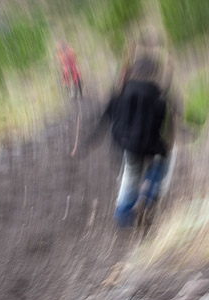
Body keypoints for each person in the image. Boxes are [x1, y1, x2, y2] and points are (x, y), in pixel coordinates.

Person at [77, 30, 182, 227]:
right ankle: (149, 195)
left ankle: (124, 213)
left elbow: (103, 119)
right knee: (164, 161)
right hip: (151, 144)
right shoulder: (160, 97)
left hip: (127, 144)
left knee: (131, 173)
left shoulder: (120, 93)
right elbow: (167, 126)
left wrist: (87, 141)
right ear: (154, 75)